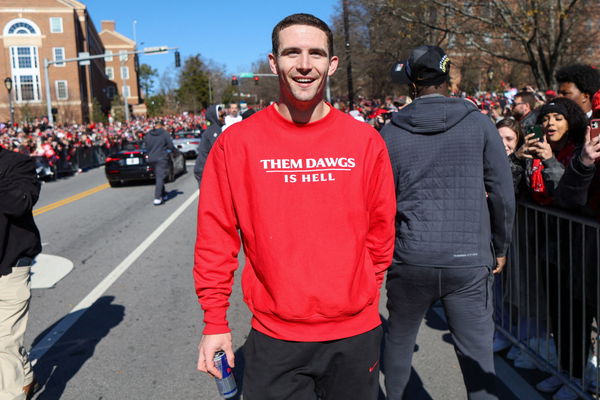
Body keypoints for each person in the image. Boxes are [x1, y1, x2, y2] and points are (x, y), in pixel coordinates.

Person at [194, 13, 395, 400]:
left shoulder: (365, 142)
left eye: (316, 53)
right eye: (292, 53)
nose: (304, 64)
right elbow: (215, 239)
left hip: (355, 335)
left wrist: (363, 289)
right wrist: (214, 320)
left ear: (331, 64)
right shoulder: (237, 144)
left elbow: (381, 230)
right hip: (275, 340)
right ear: (274, 63)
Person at [381, 45, 515, 400]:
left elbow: (380, 202)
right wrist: (500, 246)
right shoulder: (479, 124)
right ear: (448, 78)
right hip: (467, 257)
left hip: (411, 256)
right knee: (477, 355)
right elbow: (502, 192)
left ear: (412, 83)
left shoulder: (391, 132)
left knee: (398, 340)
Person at [0, 145, 42, 400]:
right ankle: (25, 376)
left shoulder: (18, 163)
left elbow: (20, 203)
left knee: (4, 342)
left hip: (10, 265)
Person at [144, 120, 175, 205]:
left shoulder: (148, 135)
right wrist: (174, 151)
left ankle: (163, 194)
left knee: (158, 176)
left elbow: (146, 146)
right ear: (162, 125)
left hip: (151, 158)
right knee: (160, 177)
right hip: (161, 158)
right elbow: (170, 146)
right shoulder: (165, 134)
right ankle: (157, 197)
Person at [193, 104, 225, 184]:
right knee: (209, 196)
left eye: (224, 115)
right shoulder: (214, 130)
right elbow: (218, 151)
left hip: (205, 168)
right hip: (204, 169)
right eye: (221, 116)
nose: (224, 117)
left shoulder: (215, 129)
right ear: (214, 116)